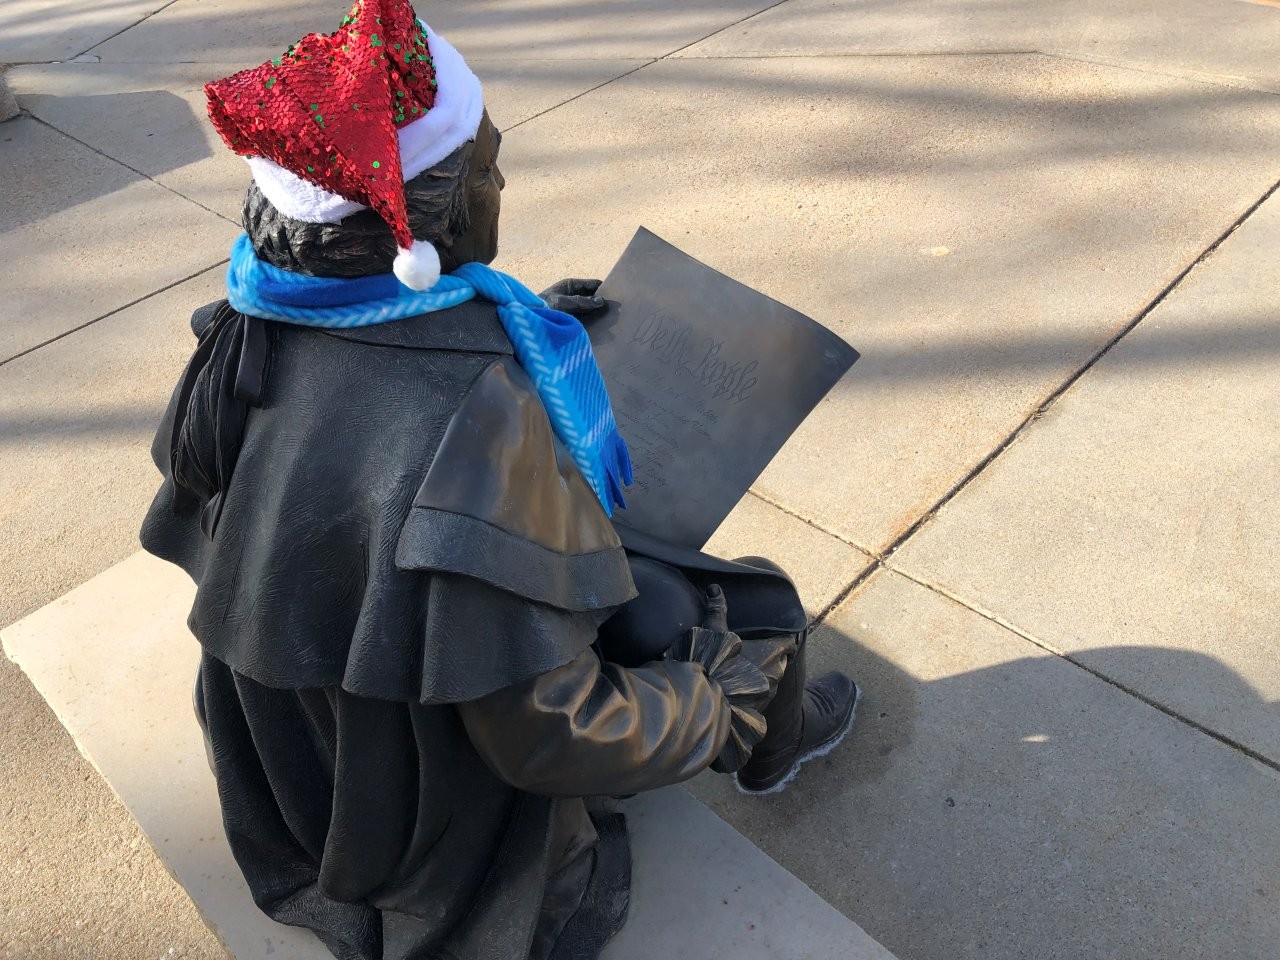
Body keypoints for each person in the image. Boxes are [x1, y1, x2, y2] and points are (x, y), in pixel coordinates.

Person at [139, 3, 858, 958]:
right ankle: (773, 739)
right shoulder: (476, 427)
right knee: (751, 608)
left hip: (298, 761)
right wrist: (713, 697)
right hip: (415, 807)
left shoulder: (250, 316)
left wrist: (524, 324)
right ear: (423, 220)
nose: (502, 178)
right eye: (484, 163)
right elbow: (553, 733)